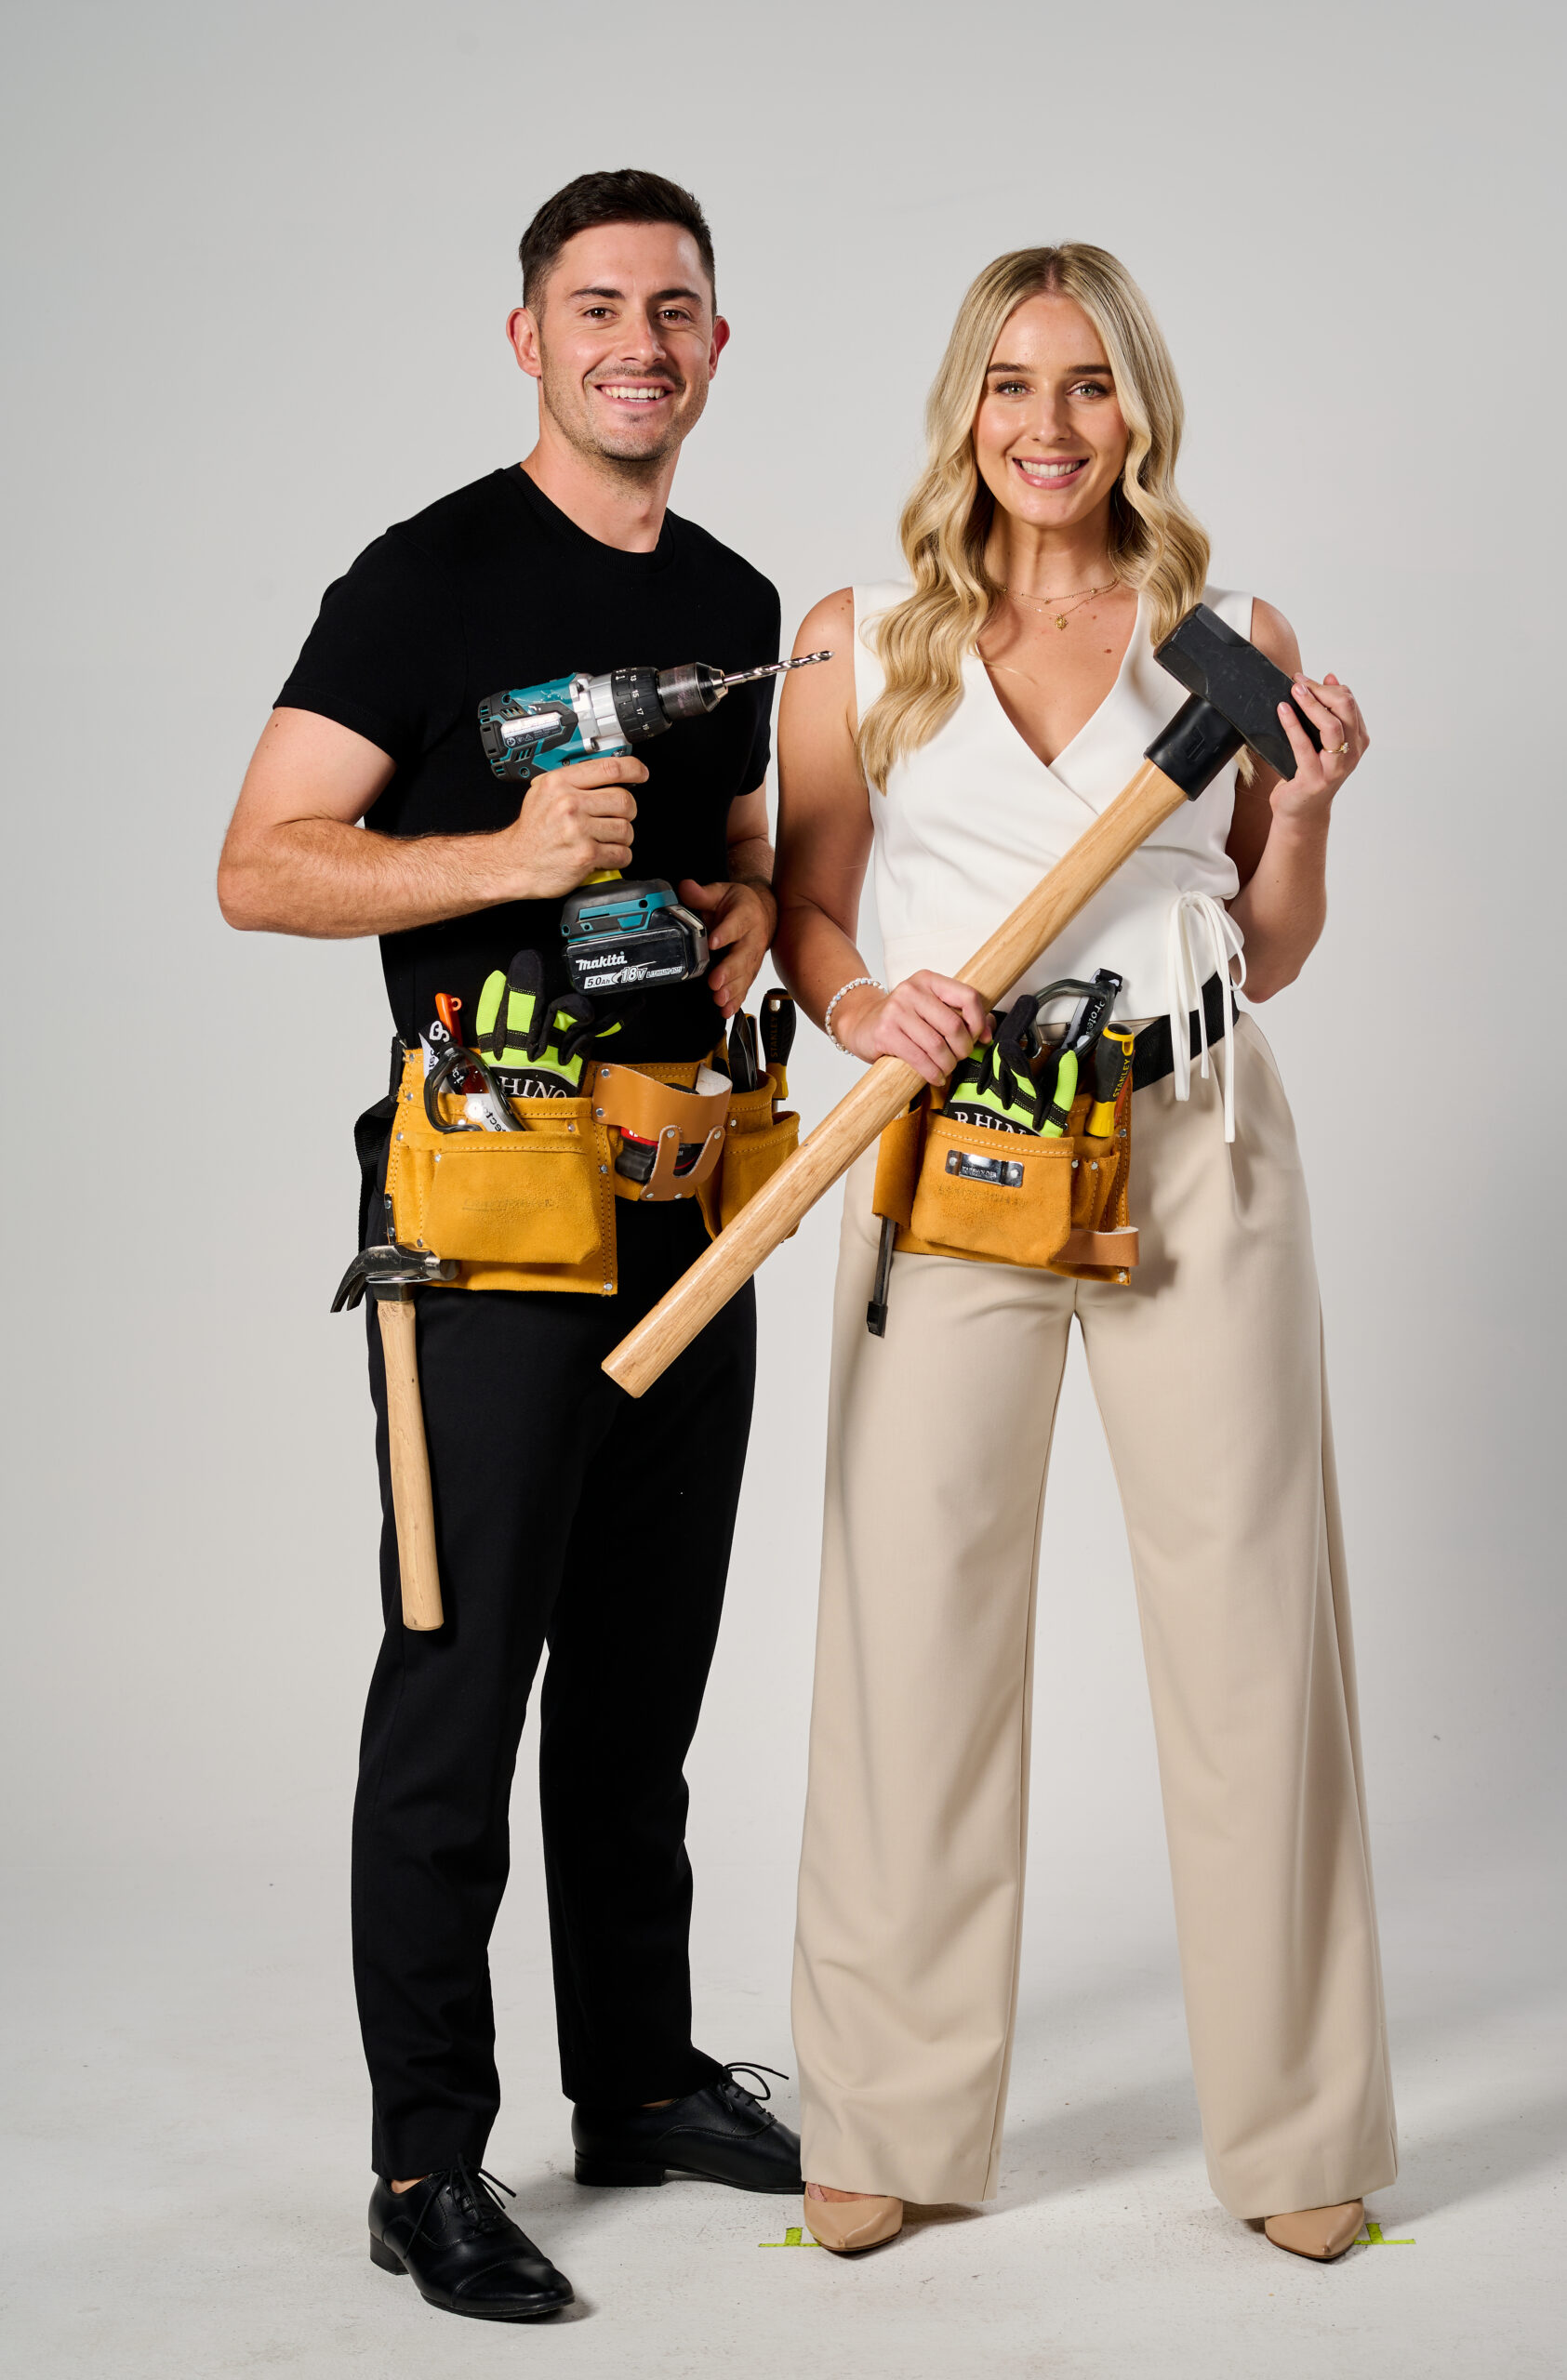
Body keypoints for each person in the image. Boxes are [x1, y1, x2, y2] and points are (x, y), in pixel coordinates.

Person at [218, 167, 802, 2326]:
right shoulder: (427, 579)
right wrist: (495, 844)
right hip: (483, 1199)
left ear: (717, 347)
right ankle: (422, 2160)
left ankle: (637, 2082)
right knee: (465, 1680)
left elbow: (748, 865)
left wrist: (743, 905)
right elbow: (259, 863)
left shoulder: (736, 593)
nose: (637, 338)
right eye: (595, 305)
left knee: (643, 1676)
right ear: (529, 339)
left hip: (689, 1182)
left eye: (675, 306)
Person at [771, 244, 1392, 2263]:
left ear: (1143, 411)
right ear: (963, 404)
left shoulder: (1230, 635)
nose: (1049, 425)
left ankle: (1300, 2131)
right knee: (908, 1624)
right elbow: (808, 914)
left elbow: (1269, 940)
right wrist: (866, 1012)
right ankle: (884, 2111)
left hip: (1192, 1135)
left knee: (1250, 1635)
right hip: (955, 1158)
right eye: (1012, 384)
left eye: (1091, 386)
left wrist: (1306, 819)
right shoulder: (858, 644)